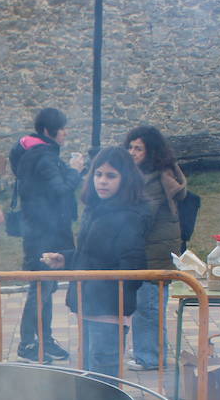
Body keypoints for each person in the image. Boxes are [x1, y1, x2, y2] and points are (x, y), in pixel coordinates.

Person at [41, 147, 145, 376]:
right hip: (88, 306)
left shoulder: (129, 216)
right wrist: (67, 259)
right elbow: (91, 254)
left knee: (103, 382)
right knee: (89, 378)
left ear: (125, 179)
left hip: (109, 313)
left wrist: (101, 289)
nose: (102, 181)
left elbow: (133, 269)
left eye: (111, 176)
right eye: (98, 174)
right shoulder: (95, 210)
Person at [7, 108, 79, 362]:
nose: (66, 133)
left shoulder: (30, 152)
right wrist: (74, 169)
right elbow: (61, 190)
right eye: (62, 128)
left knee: (46, 288)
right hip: (44, 233)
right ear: (49, 132)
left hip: (40, 230)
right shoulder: (44, 157)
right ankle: (28, 344)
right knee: (40, 289)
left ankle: (44, 341)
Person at [124, 125, 187, 371]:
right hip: (155, 250)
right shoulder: (154, 174)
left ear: (151, 152)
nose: (131, 153)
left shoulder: (152, 179)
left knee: (148, 307)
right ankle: (150, 349)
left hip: (153, 253)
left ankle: (149, 356)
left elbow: (141, 217)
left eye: (138, 148)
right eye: (129, 147)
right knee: (150, 306)